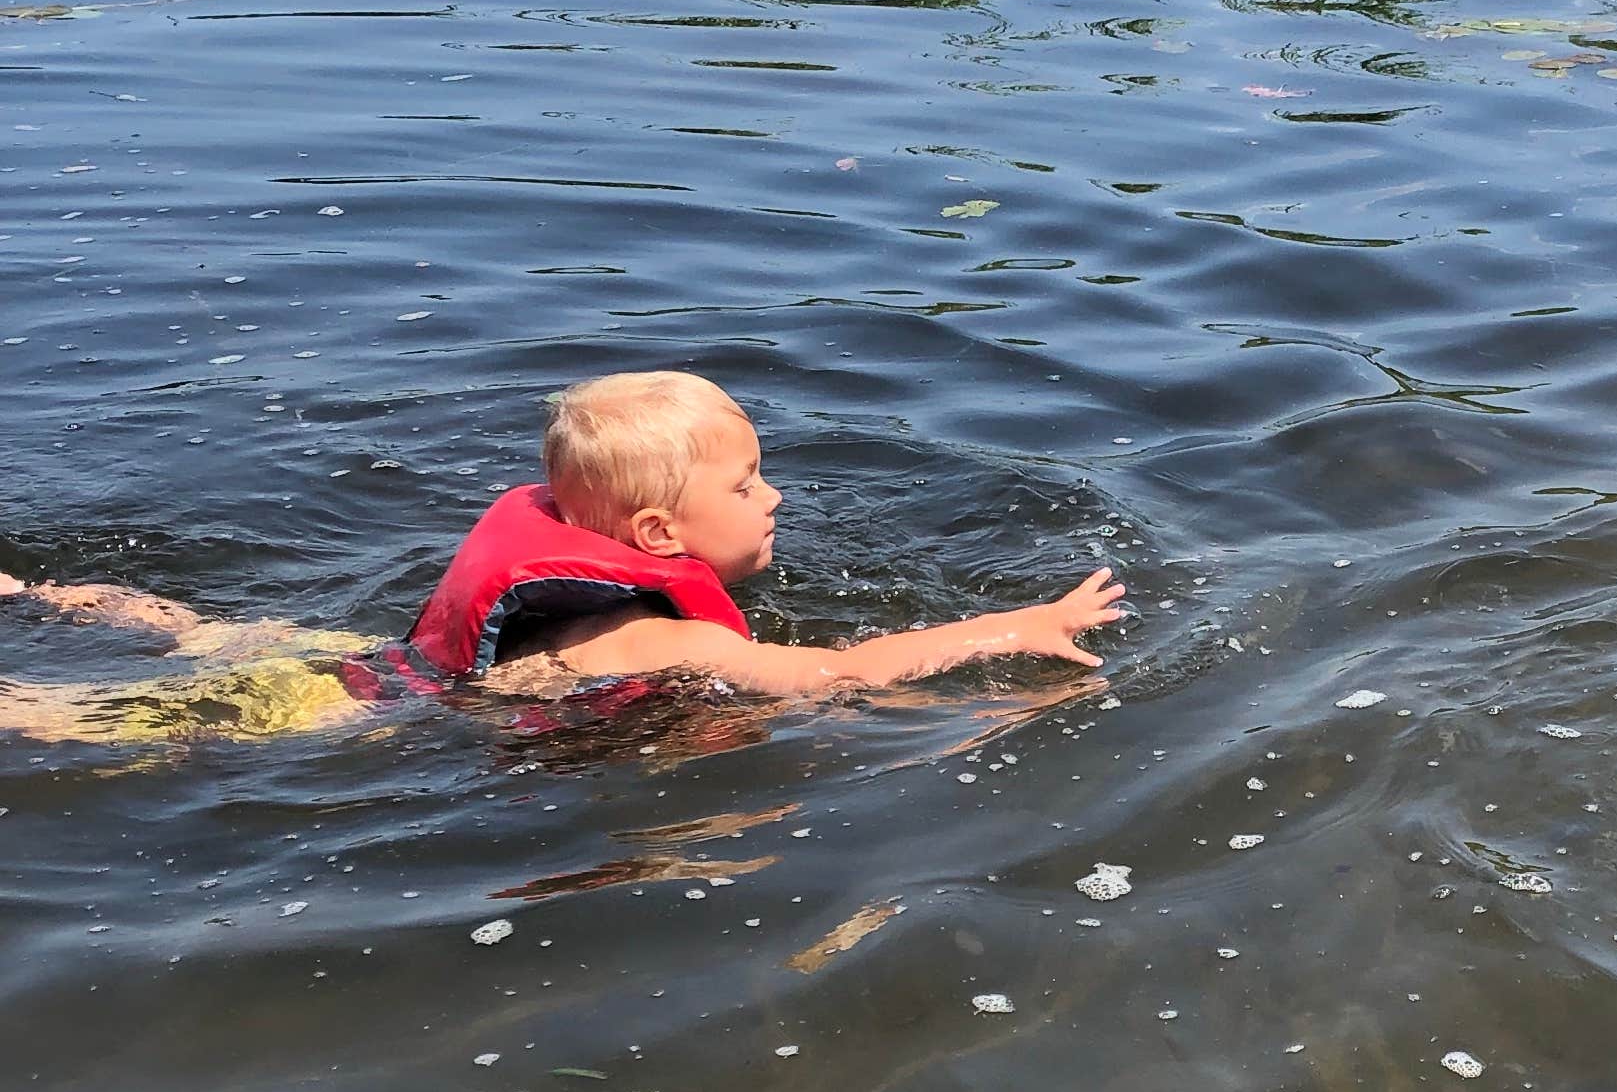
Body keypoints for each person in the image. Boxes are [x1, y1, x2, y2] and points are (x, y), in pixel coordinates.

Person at [0, 368, 1123, 736]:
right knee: (94, 718)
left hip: (364, 658)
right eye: (746, 483)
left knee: (199, 631)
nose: (774, 495)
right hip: (354, 713)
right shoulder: (664, 629)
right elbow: (842, 674)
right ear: (656, 539)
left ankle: (31, 591)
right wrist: (1011, 632)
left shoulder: (612, 590)